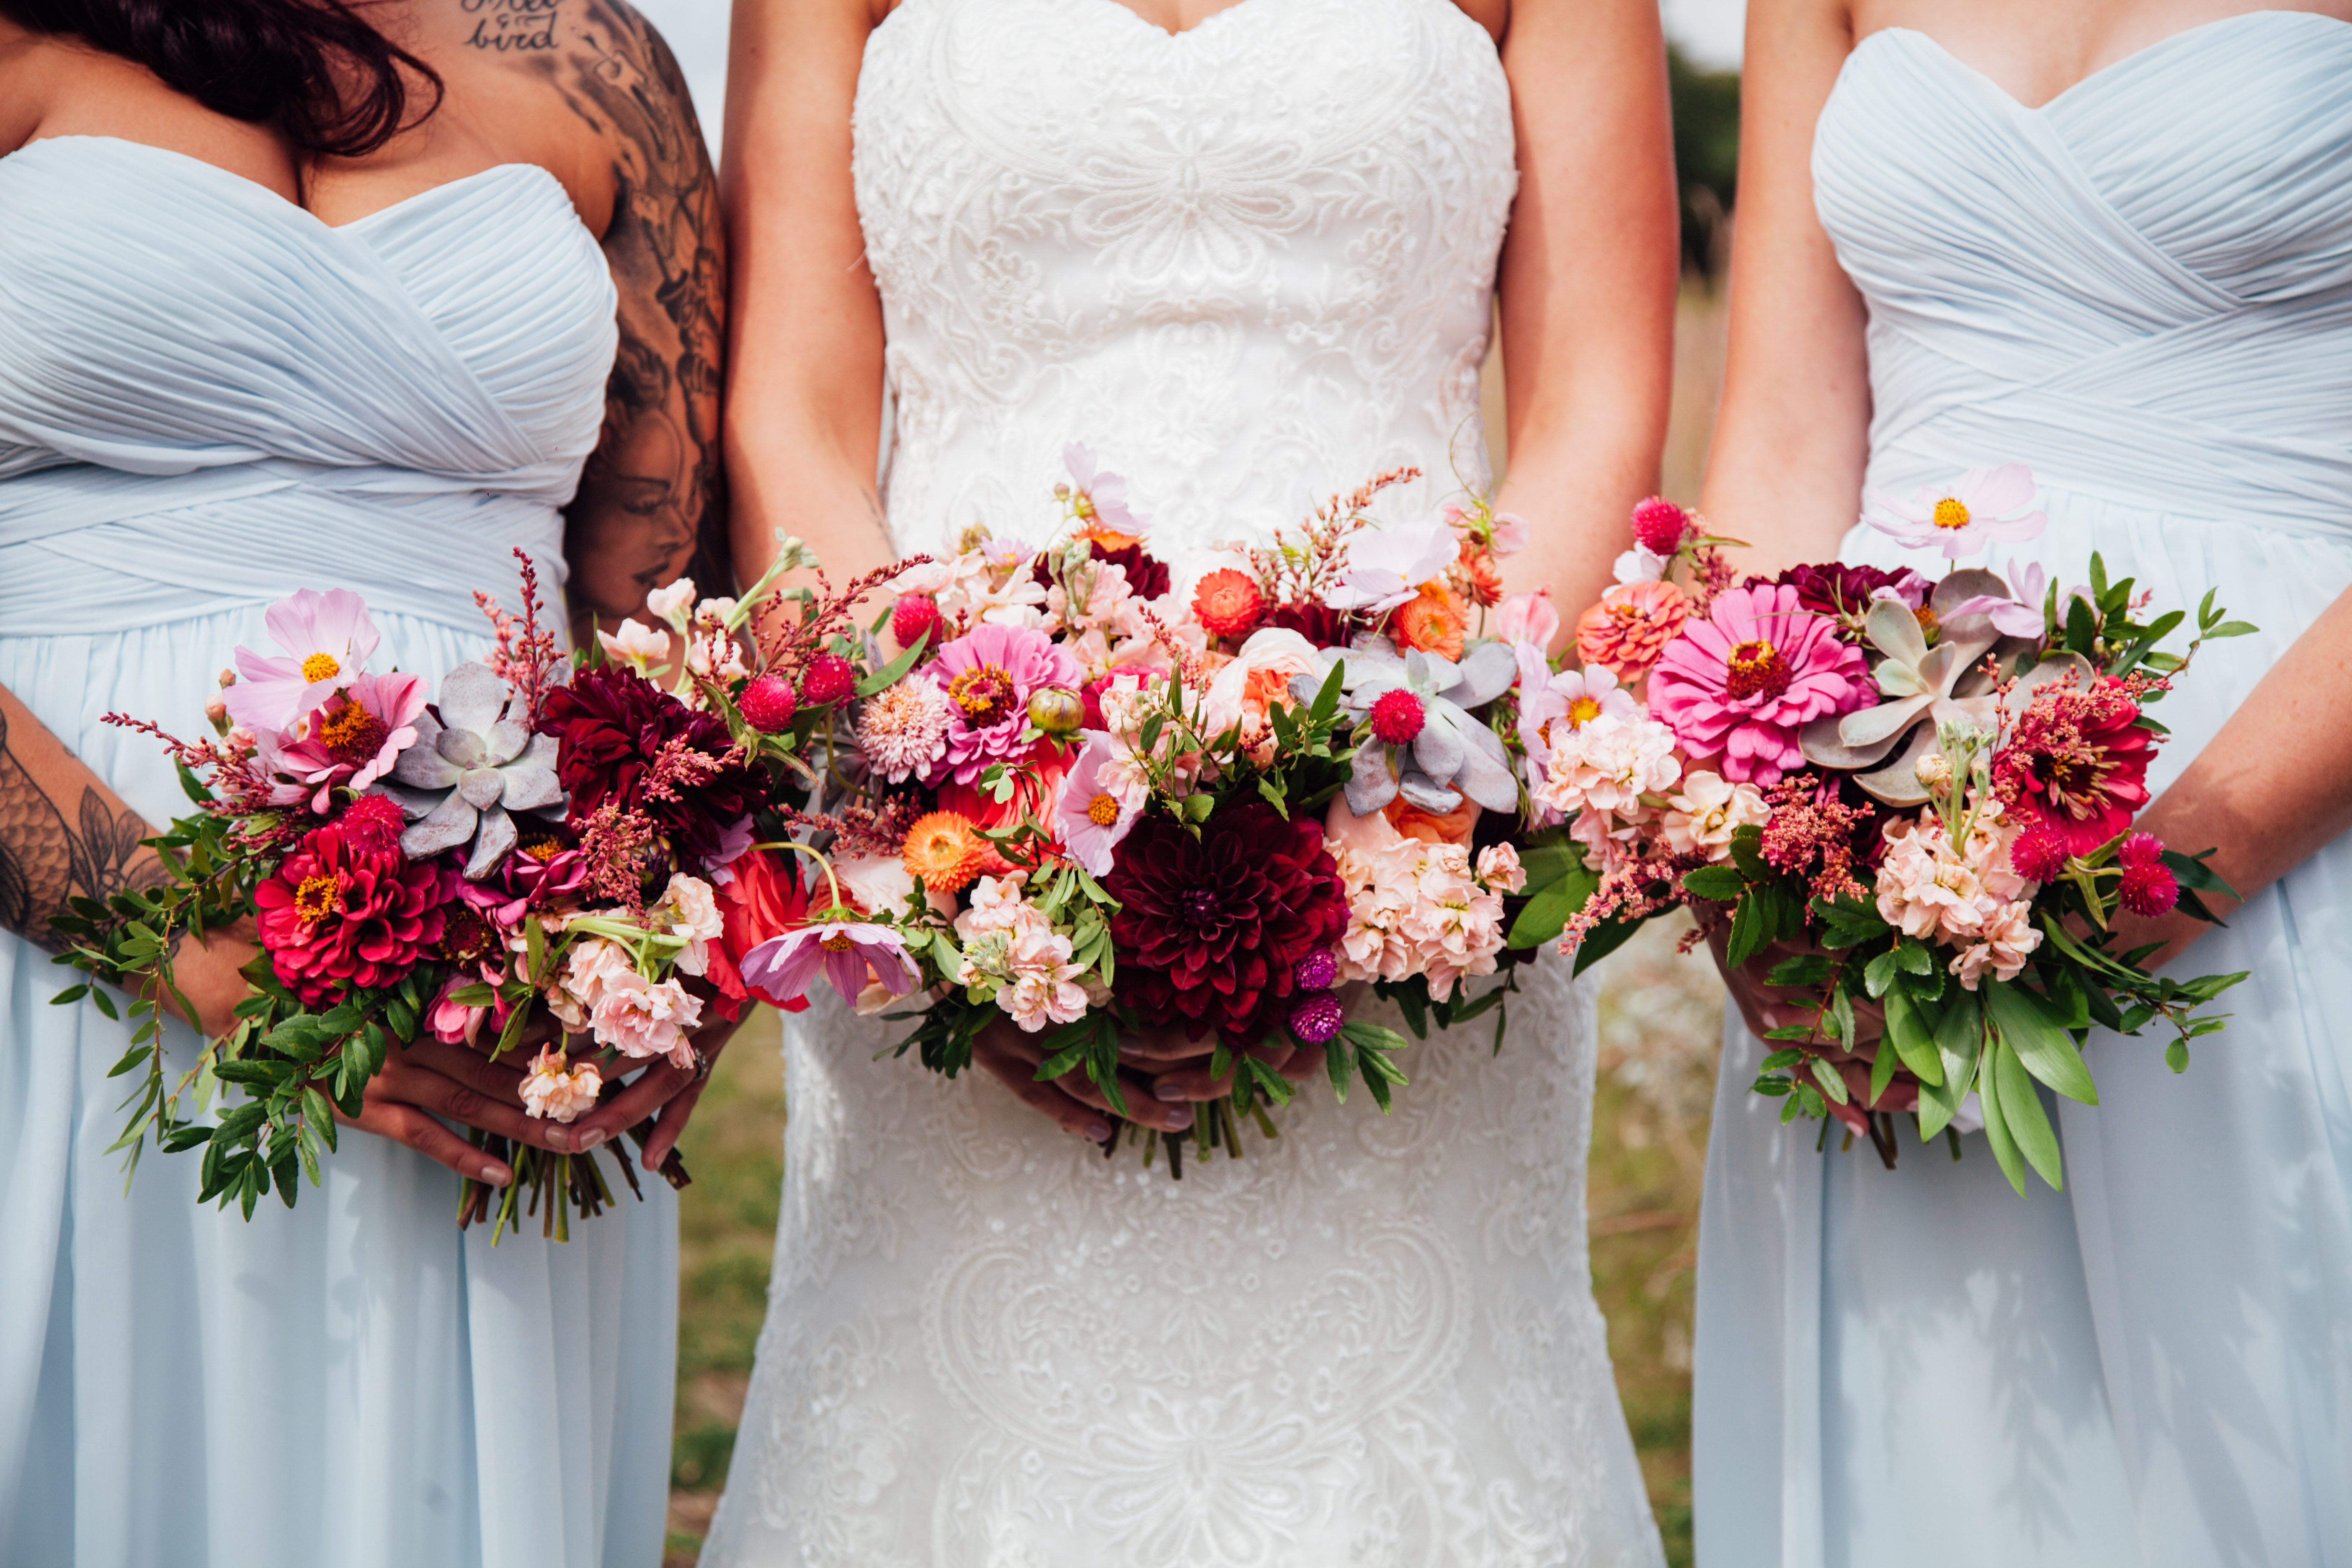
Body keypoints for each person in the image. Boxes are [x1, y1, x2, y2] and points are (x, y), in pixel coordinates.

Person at [699, 0, 1680, 1561]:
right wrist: (968, 846)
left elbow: (1597, 405)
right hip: (956, 820)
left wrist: (1401, 824)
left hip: (1432, 807)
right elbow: (790, 417)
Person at [0, 2, 730, 1561]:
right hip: (62, 958)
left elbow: (669, 592)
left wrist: (662, 948)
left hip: (497, 967)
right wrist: (169, 930)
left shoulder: (593, 58)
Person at [1694, 0, 2352, 1562]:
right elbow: (1785, 433)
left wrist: (2168, 867)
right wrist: (1742, 848)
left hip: (2292, 810)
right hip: (1870, 836)